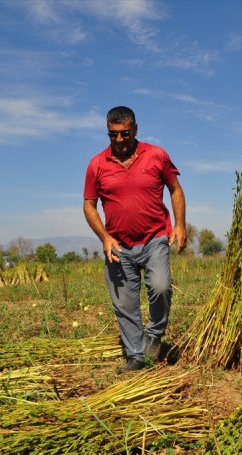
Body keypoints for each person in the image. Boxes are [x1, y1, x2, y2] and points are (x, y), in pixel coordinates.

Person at [83, 106, 187, 372]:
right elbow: (89, 205)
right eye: (113, 135)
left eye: (125, 134)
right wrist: (104, 238)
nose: (119, 140)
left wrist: (180, 225)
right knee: (124, 303)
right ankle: (136, 355)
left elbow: (175, 189)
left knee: (161, 287)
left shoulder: (157, 155)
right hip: (118, 245)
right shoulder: (97, 164)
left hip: (154, 238)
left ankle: (154, 335)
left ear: (136, 130)